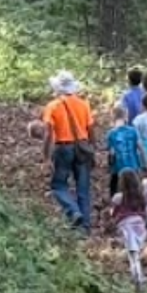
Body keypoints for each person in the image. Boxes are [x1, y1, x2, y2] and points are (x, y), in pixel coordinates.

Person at [41, 71, 96, 234]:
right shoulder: (84, 104)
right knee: (83, 188)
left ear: (58, 88)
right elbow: (91, 129)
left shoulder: (52, 106)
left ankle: (73, 211)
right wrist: (93, 148)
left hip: (63, 147)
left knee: (58, 185)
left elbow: (48, 133)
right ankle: (85, 228)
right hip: (83, 147)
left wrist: (45, 156)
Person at [111, 169, 147, 289]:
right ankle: (139, 276)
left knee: (132, 254)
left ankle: (137, 277)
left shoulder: (118, 197)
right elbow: (146, 211)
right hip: (140, 227)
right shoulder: (142, 196)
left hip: (125, 227)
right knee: (136, 252)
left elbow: (112, 212)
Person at [106, 104, 141, 197]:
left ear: (113, 117)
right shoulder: (133, 131)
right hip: (133, 166)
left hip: (118, 169)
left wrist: (109, 167)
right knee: (136, 191)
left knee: (116, 193)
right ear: (126, 116)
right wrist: (144, 164)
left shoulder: (111, 134)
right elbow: (141, 148)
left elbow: (112, 154)